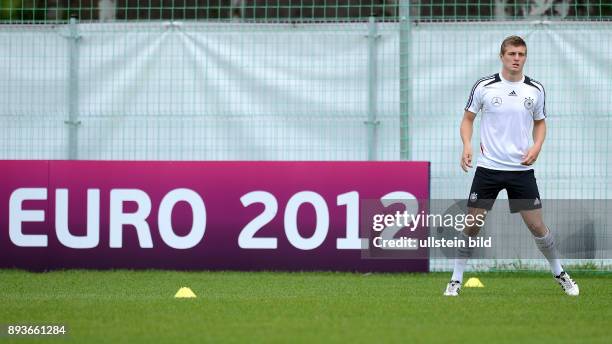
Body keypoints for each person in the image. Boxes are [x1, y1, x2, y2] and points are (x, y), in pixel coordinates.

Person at [444, 36, 579, 296]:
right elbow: (467, 119)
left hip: (521, 171)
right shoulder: (485, 86)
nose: (517, 58)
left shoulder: (535, 89)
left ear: (525, 57)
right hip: (488, 169)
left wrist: (537, 146)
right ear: (502, 56)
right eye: (512, 54)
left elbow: (540, 122)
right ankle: (455, 279)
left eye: (521, 54)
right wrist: (467, 144)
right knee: (472, 223)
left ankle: (560, 273)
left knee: (537, 227)